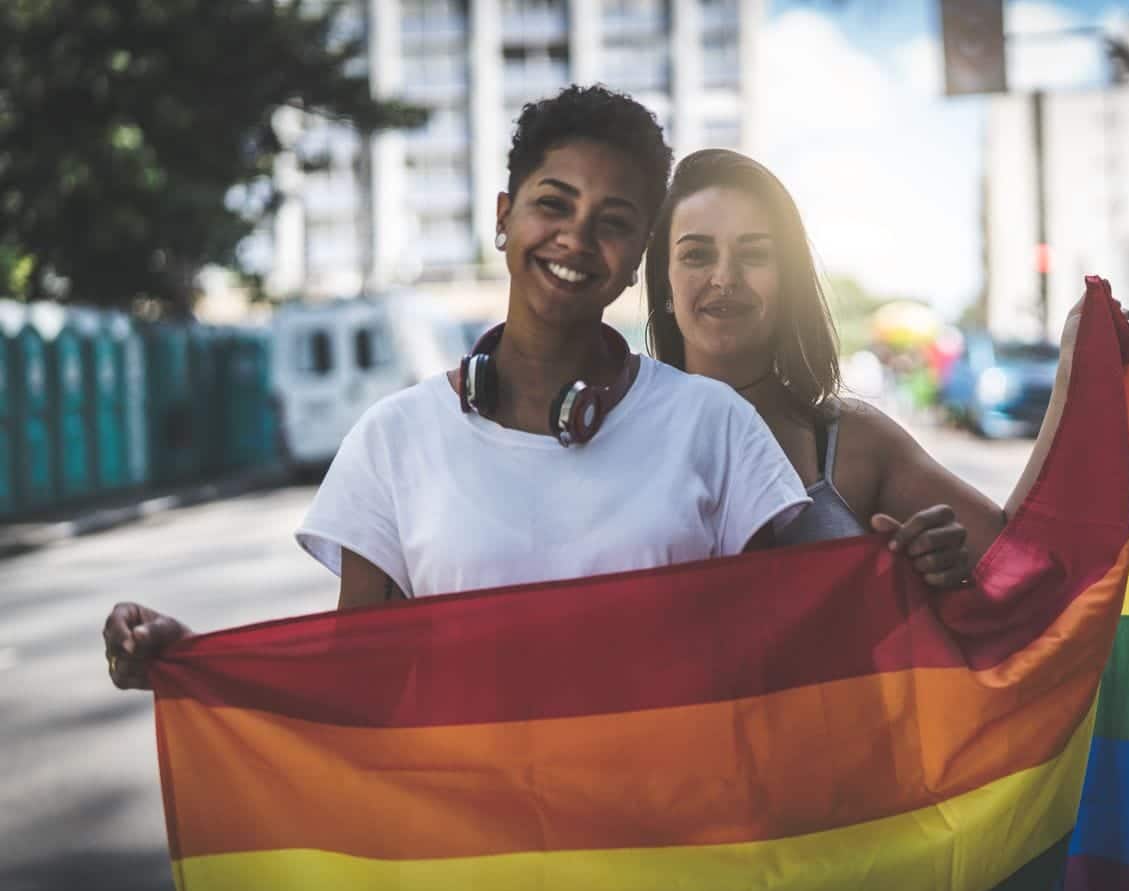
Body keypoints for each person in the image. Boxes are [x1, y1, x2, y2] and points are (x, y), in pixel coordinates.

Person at [102, 86, 814, 688]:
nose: (574, 237)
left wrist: (921, 564)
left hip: (670, 845)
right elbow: (360, 689)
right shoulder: (391, 441)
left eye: (614, 222)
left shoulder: (715, 425)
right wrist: (194, 664)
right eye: (553, 205)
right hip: (473, 853)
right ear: (503, 217)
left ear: (636, 261)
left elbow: (789, 665)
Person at [644, 149, 1009, 586]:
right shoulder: (615, 431)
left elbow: (1023, 560)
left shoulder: (855, 440)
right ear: (665, 281)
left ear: (790, 281)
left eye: (755, 254)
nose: (725, 277)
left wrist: (943, 576)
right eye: (697, 255)